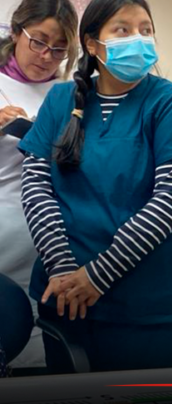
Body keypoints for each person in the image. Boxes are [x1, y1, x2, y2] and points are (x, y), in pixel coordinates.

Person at [18, 0, 172, 373]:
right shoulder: (61, 100)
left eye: (146, 30)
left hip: (144, 303)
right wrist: (61, 266)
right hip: (64, 292)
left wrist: (97, 275)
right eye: (123, 29)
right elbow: (36, 185)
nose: (139, 38)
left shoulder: (170, 102)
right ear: (92, 43)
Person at [0, 0, 78, 369]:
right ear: (16, 32)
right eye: (39, 42)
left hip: (49, 243)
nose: (47, 56)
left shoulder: (71, 95)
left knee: (38, 352)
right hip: (4, 233)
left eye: (59, 49)